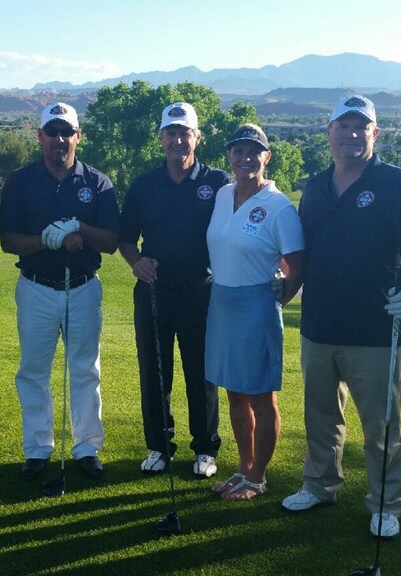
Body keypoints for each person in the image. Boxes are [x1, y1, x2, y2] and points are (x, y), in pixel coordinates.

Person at [280, 95, 401, 539]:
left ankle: (385, 502)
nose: (351, 134)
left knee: (381, 424)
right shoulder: (315, 187)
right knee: (320, 414)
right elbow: (302, 251)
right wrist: (284, 280)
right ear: (328, 133)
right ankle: (319, 485)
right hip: (320, 324)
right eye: (343, 126)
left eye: (360, 126)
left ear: (374, 133)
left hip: (375, 326)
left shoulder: (397, 183)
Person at [0, 102, 120, 481]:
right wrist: (47, 240)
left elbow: (112, 241)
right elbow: (8, 241)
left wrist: (78, 228)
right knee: (34, 370)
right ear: (40, 137)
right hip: (36, 288)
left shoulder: (97, 182)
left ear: (78, 137)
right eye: (52, 132)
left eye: (67, 132)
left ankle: (86, 447)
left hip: (82, 288)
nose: (59, 139)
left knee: (85, 369)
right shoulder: (20, 181)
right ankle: (37, 449)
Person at [119, 102, 231, 478]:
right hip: (154, 291)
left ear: (197, 138)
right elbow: (125, 238)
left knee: (202, 373)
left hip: (202, 291)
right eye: (171, 134)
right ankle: (159, 446)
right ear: (161, 139)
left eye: (185, 133)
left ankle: (205, 448)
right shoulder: (144, 185)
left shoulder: (217, 183)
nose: (178, 140)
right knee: (155, 372)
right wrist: (136, 262)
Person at [205, 123, 305, 501]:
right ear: (229, 155)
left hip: (256, 306)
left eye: (254, 151)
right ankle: (244, 469)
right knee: (235, 395)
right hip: (222, 304)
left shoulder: (278, 206)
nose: (245, 158)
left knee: (262, 400)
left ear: (267, 157)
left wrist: (278, 299)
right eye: (238, 151)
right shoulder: (222, 194)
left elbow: (297, 263)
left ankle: (258, 477)